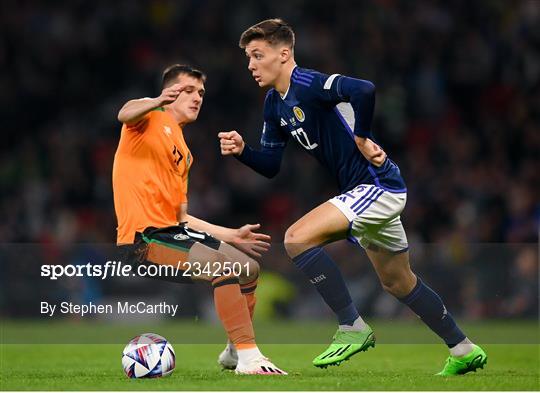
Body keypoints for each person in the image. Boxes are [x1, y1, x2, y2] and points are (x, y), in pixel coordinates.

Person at [218, 19, 487, 375]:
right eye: (248, 58)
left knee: (296, 238)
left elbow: (364, 89)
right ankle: (463, 349)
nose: (250, 65)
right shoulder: (274, 103)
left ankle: (351, 326)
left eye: (257, 55)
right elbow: (270, 165)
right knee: (397, 281)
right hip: (362, 193)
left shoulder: (308, 82)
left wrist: (361, 137)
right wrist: (242, 151)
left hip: (377, 186)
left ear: (283, 54)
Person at [113, 64, 286, 375]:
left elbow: (181, 217)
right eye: (188, 90)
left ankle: (235, 350)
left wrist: (230, 234)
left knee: (248, 269)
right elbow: (124, 112)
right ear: (170, 92)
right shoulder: (148, 118)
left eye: (201, 93)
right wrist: (156, 100)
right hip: (142, 241)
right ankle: (249, 358)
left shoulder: (184, 150)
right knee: (223, 268)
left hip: (171, 233)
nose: (197, 98)